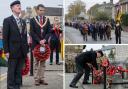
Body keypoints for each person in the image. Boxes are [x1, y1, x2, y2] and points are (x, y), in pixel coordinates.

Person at [3, 1, 29, 89]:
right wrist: (6, 51)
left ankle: (17, 87)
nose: (19, 7)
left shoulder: (23, 21)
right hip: (12, 51)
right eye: (17, 6)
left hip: (22, 51)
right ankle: (10, 87)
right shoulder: (7, 20)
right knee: (11, 72)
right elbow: (5, 37)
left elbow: (25, 37)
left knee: (18, 72)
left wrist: (26, 50)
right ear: (12, 8)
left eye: (20, 5)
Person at [30, 4, 51, 86]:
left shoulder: (47, 20)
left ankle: (42, 79)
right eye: (41, 10)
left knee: (43, 63)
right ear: (37, 10)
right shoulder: (32, 20)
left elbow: (49, 31)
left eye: (43, 10)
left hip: (44, 45)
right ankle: (36, 79)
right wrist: (39, 41)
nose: (42, 12)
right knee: (36, 63)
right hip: (36, 44)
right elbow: (32, 32)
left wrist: (44, 40)